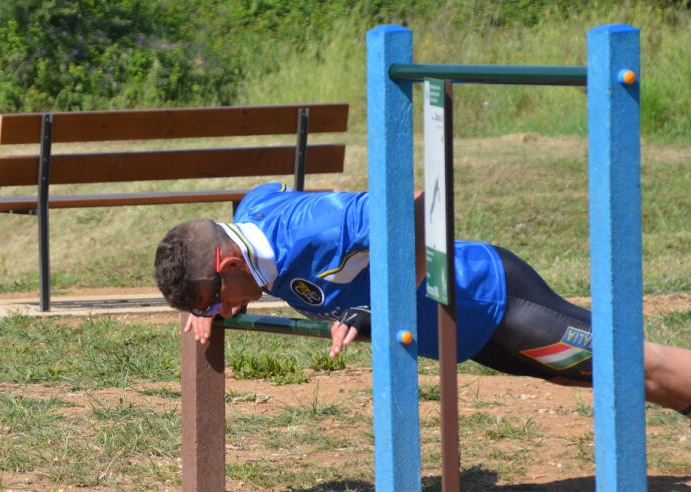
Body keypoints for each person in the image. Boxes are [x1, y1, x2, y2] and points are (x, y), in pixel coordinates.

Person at [154, 182, 691, 415]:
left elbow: (419, 206)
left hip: (493, 300)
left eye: (212, 301)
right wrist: (214, 304)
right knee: (601, 378)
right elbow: (266, 193)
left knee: (633, 367)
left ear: (227, 264)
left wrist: (380, 304)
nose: (217, 314)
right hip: (467, 337)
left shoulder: (323, 228)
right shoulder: (252, 218)